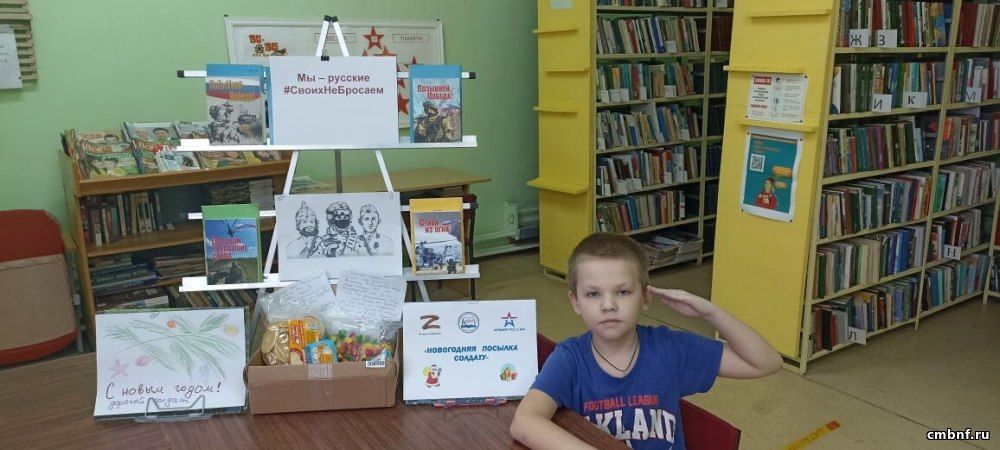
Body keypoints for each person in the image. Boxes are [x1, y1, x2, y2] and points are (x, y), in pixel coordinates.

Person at [510, 233, 782, 449]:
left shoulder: (671, 348)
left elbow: (766, 362)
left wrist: (710, 313)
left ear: (645, 297)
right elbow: (524, 422)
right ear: (575, 302)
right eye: (593, 294)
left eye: (623, 292)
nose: (608, 305)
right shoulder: (570, 359)